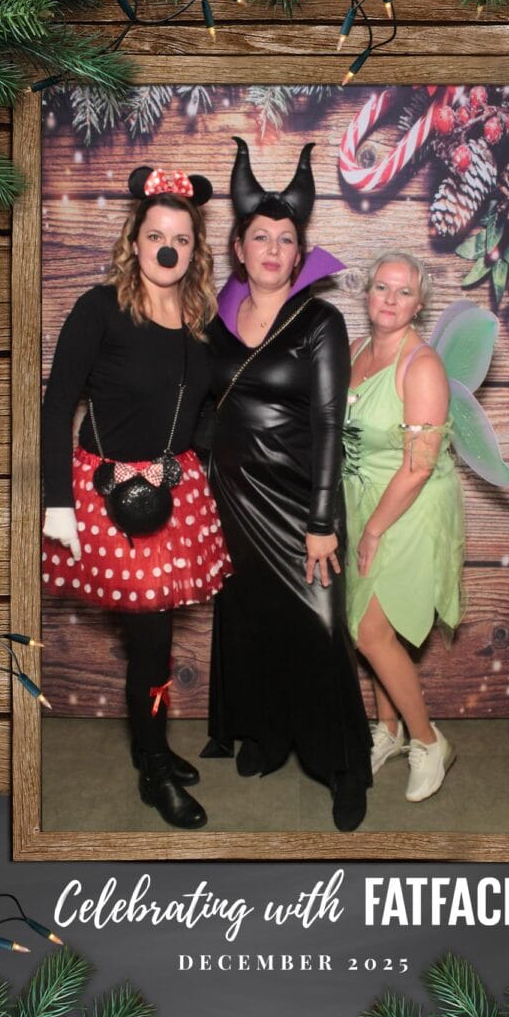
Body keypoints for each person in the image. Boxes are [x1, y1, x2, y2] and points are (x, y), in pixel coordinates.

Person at [41, 165, 231, 830]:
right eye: (156, 236)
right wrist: (57, 502)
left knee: (159, 637)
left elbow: (202, 408)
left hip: (173, 493)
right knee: (151, 641)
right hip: (110, 498)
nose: (167, 248)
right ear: (135, 241)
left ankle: (152, 745)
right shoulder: (100, 308)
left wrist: (196, 458)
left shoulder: (198, 318)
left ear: (195, 248)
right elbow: (58, 406)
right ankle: (153, 769)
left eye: (181, 238)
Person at [202, 138, 372, 832]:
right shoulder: (214, 324)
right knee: (252, 621)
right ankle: (269, 737)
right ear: (238, 248)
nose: (273, 248)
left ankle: (345, 766)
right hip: (233, 503)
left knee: (320, 627)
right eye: (260, 237)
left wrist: (322, 521)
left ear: (300, 254)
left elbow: (329, 423)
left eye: (286, 239)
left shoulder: (320, 322)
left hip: (302, 503)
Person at [342, 251, 464, 803]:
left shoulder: (423, 365)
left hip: (408, 507)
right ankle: (387, 729)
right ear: (367, 293)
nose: (390, 300)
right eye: (381, 288)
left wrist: (372, 530)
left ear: (419, 304)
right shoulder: (356, 351)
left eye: (404, 292)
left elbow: (418, 466)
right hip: (361, 499)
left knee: (370, 631)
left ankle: (428, 741)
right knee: (370, 626)